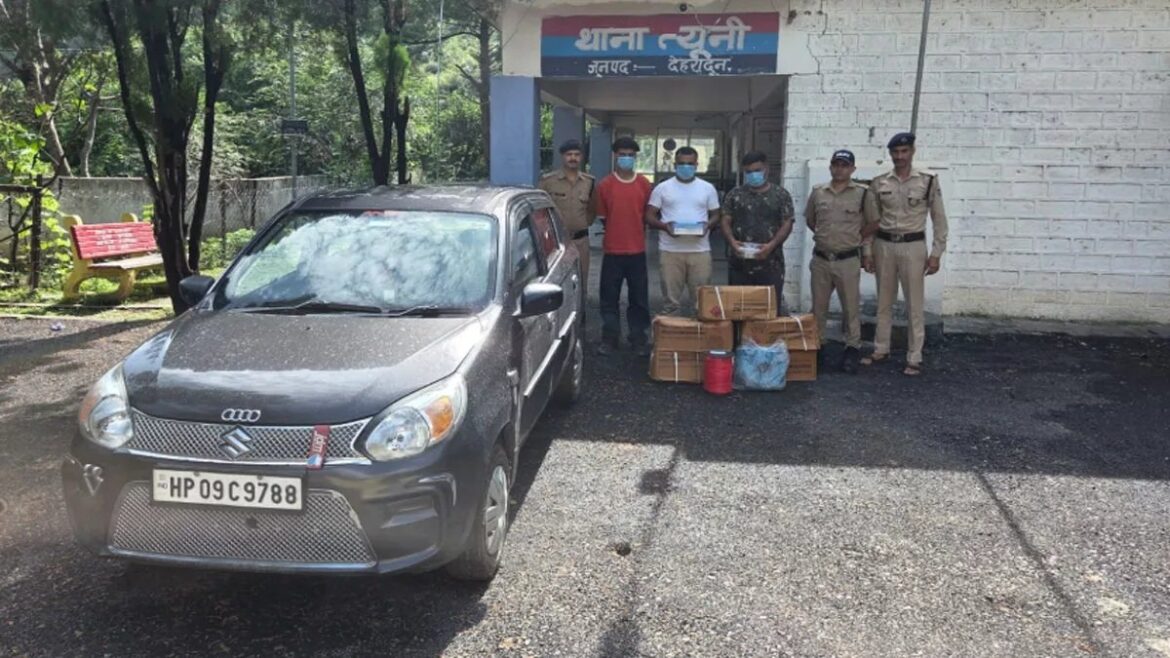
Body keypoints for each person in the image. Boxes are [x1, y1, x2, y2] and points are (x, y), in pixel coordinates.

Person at [862, 132, 949, 377]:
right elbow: (871, 221)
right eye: (895, 152)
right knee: (883, 301)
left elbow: (939, 220)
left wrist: (936, 253)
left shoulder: (927, 181)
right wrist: (867, 251)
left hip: (913, 246)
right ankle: (881, 348)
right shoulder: (879, 182)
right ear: (890, 154)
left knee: (914, 304)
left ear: (912, 152)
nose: (899, 156)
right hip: (884, 245)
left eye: (904, 151)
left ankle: (914, 356)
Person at [805, 149, 878, 374]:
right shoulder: (818, 192)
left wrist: (855, 238)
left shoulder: (863, 194)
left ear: (852, 169)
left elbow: (873, 222)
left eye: (845, 165)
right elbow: (811, 220)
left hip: (847, 259)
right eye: (836, 164)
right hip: (822, 259)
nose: (840, 169)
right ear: (830, 167)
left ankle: (852, 348)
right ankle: (818, 346)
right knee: (818, 308)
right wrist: (827, 238)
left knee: (850, 308)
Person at [593, 137, 653, 356]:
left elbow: (648, 215)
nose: (626, 158)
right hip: (613, 251)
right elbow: (604, 218)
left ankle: (638, 339)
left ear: (635, 157)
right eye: (622, 155)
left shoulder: (644, 184)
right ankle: (609, 338)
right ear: (615, 156)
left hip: (637, 251)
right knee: (609, 298)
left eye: (630, 155)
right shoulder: (605, 185)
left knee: (639, 299)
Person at [645, 146, 720, 316]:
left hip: (700, 251)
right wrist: (665, 226)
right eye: (682, 164)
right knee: (670, 303)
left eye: (690, 164)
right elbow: (649, 216)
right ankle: (671, 330)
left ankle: (700, 332)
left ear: (696, 165)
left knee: (702, 302)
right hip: (670, 251)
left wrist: (707, 225)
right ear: (675, 165)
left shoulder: (707, 188)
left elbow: (716, 214)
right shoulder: (662, 188)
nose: (686, 167)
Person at [720, 151, 795, 311]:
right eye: (748, 172)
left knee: (768, 309)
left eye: (757, 170)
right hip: (740, 264)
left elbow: (787, 223)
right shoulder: (735, 195)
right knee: (738, 309)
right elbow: (725, 221)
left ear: (766, 169)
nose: (753, 175)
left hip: (770, 263)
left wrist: (771, 246)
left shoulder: (780, 195)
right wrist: (732, 243)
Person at [538, 139, 596, 289]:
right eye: (569, 154)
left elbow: (592, 210)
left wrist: (581, 224)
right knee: (555, 282)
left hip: (580, 241)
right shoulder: (548, 181)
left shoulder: (589, 182)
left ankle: (582, 305)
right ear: (563, 157)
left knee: (581, 280)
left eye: (577, 154)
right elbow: (540, 210)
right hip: (556, 242)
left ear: (581, 157)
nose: (573, 158)